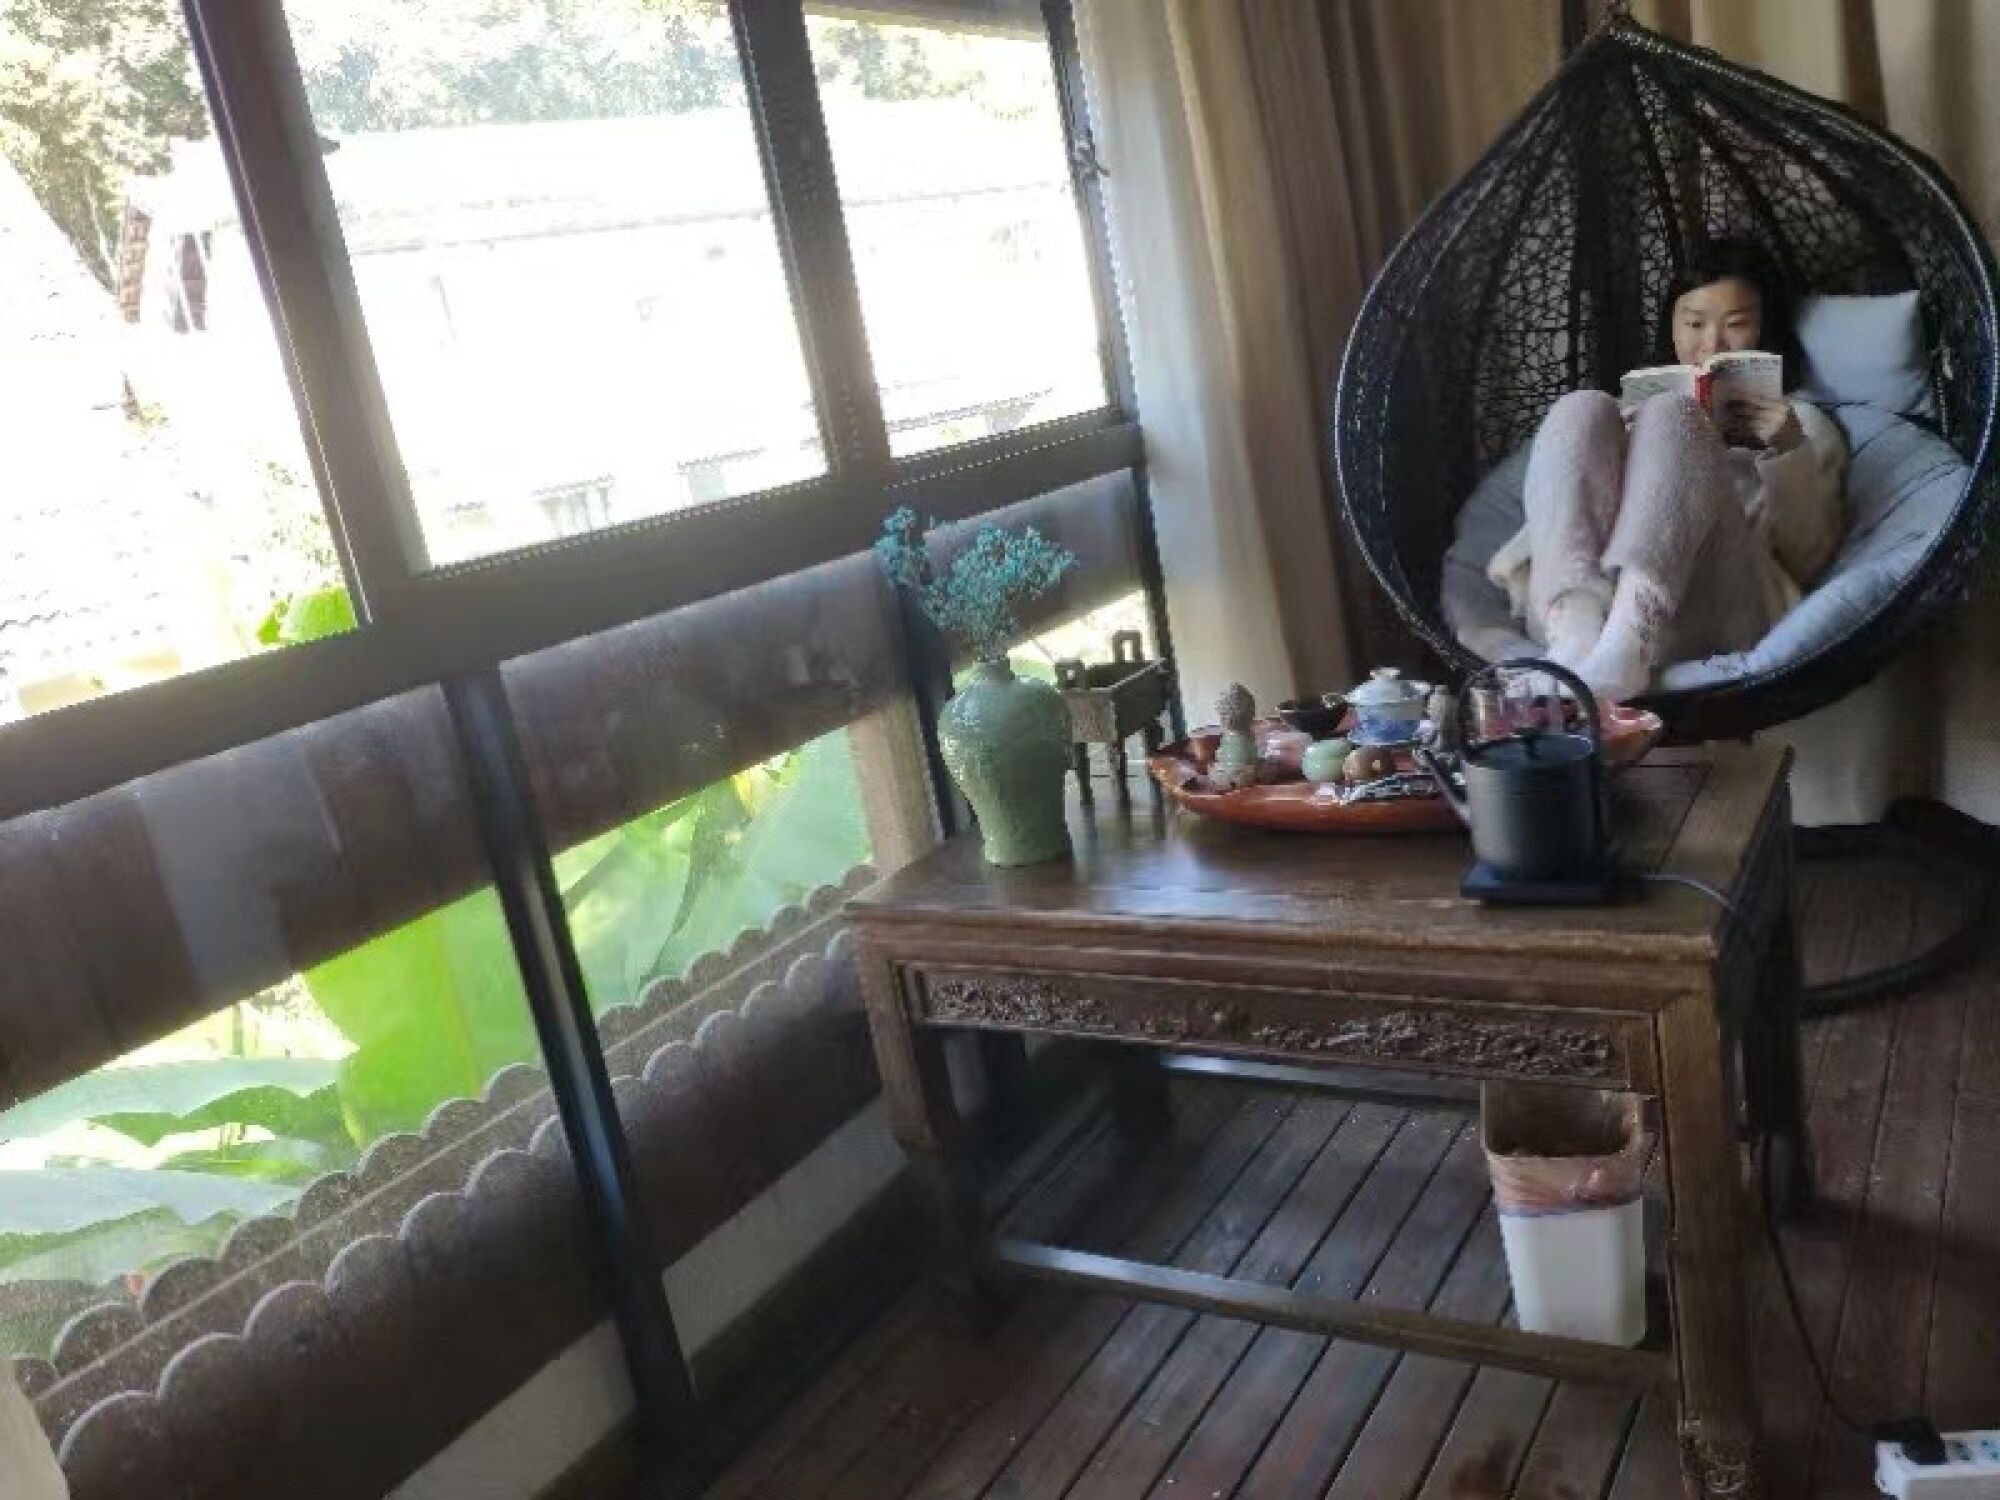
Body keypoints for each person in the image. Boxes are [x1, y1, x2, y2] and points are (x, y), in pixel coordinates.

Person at [1483, 238, 1848, 701]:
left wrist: (1788, 449)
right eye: (1694, 323)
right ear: (1671, 325)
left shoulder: (1803, 425)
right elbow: (1551, 522)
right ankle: (1576, 631)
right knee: (1581, 407)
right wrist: (1626, 448)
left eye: (1736, 325)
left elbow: (1808, 559)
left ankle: (1631, 644)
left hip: (1715, 606)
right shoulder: (1621, 413)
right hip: (1585, 613)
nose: (1711, 344)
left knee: (1677, 417)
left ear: (1767, 329)